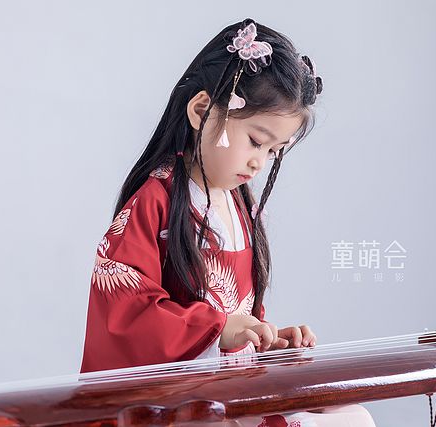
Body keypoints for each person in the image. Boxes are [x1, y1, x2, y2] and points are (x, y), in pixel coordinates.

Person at [80, 18, 376, 427]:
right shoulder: (155, 200)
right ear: (202, 110)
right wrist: (219, 330)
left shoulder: (240, 206)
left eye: (273, 151)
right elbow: (125, 315)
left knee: (352, 417)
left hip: (226, 387)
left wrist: (265, 339)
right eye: (256, 141)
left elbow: (238, 311)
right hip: (176, 399)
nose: (259, 162)